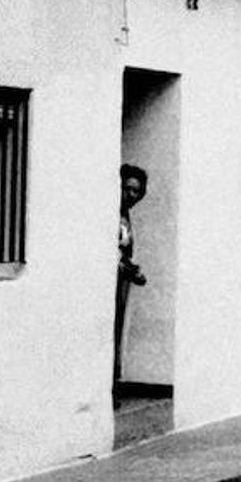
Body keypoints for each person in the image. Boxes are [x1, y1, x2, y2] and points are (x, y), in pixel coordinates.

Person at [115, 164, 148, 384]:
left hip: (122, 281)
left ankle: (115, 378)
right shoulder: (112, 214)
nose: (131, 195)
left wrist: (132, 269)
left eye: (136, 191)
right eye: (127, 188)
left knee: (119, 327)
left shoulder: (125, 216)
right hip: (111, 281)